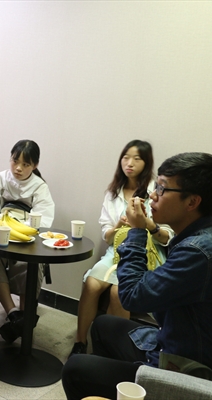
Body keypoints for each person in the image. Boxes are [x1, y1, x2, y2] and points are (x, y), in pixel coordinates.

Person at [62, 152, 212, 400]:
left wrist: (137, 231)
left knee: (75, 370)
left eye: (162, 189)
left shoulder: (199, 253)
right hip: (171, 341)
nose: (153, 195)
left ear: (192, 202)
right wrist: (148, 228)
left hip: (187, 368)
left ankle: (136, 387)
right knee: (104, 324)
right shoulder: (203, 237)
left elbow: (132, 296)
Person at [69, 140, 173, 357]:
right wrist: (118, 225)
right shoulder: (113, 192)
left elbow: (168, 237)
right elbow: (107, 237)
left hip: (148, 253)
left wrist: (146, 224)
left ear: (147, 162)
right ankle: (80, 341)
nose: (130, 163)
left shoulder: (155, 191)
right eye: (126, 157)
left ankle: (113, 351)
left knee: (119, 291)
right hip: (116, 251)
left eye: (137, 158)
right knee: (91, 284)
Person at [0, 140, 55, 343]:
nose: (18, 168)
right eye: (14, 161)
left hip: (25, 238)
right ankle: (13, 313)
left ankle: (25, 316)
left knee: (31, 265)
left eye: (25, 164)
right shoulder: (0, 179)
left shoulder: (39, 186)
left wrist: (18, 230)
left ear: (35, 165)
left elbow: (42, 220)